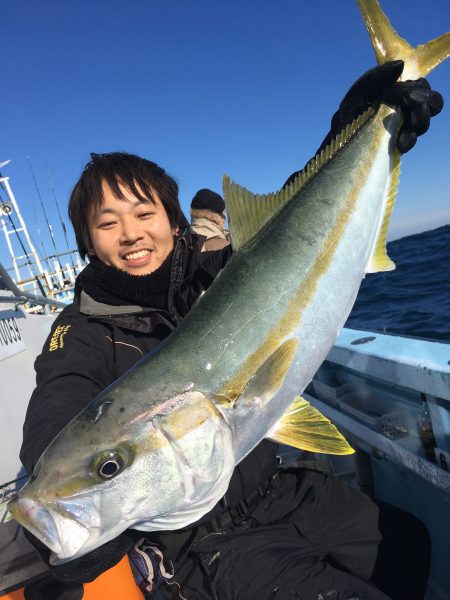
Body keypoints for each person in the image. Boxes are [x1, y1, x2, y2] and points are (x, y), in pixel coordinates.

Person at [20, 61, 442, 600]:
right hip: (203, 544)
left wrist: (352, 127)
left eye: (143, 213)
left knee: (410, 544)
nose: (130, 234)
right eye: (106, 223)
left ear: (174, 221)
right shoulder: (79, 330)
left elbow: (293, 228)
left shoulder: (215, 271)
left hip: (281, 490)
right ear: (88, 242)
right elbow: (56, 410)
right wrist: (68, 491)